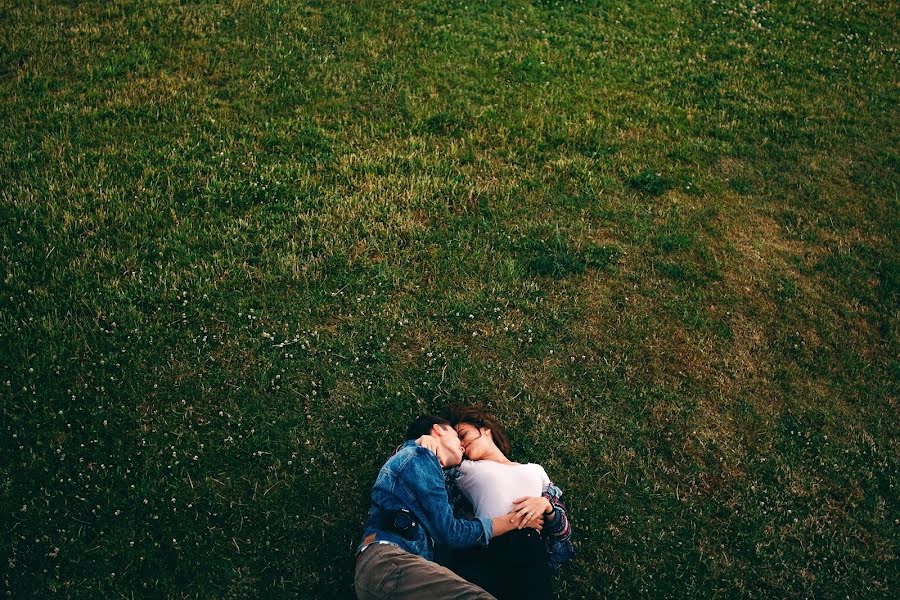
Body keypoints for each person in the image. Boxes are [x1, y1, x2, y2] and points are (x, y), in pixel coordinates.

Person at [354, 415, 533, 600]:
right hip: (389, 563)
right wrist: (516, 519)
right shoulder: (419, 456)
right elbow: (450, 532)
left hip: (395, 572)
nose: (462, 446)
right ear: (438, 429)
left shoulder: (426, 468)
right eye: (457, 436)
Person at [421, 406, 574, 600]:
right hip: (489, 550)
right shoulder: (463, 469)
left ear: (485, 429)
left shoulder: (535, 470)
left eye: (463, 434)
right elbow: (417, 474)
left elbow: (563, 533)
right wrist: (424, 443)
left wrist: (546, 506)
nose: (460, 444)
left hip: (529, 553)